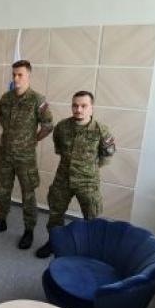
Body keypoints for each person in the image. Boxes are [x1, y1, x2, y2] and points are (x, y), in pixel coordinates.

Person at [36, 91, 116, 258]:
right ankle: (53, 242)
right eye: (75, 105)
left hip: (88, 182)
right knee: (55, 213)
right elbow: (59, 149)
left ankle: (89, 250)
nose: (78, 109)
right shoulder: (62, 127)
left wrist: (88, 168)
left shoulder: (101, 131)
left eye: (83, 106)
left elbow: (107, 155)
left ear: (92, 108)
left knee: (92, 218)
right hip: (63, 179)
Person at [0, 60, 53, 250]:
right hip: (6, 154)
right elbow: (2, 120)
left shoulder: (38, 100)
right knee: (4, 189)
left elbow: (48, 126)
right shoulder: (6, 99)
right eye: (14, 74)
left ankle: (29, 230)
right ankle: (1, 221)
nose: (16, 78)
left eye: (20, 74)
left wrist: (33, 140)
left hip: (25, 158)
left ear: (28, 75)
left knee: (28, 194)